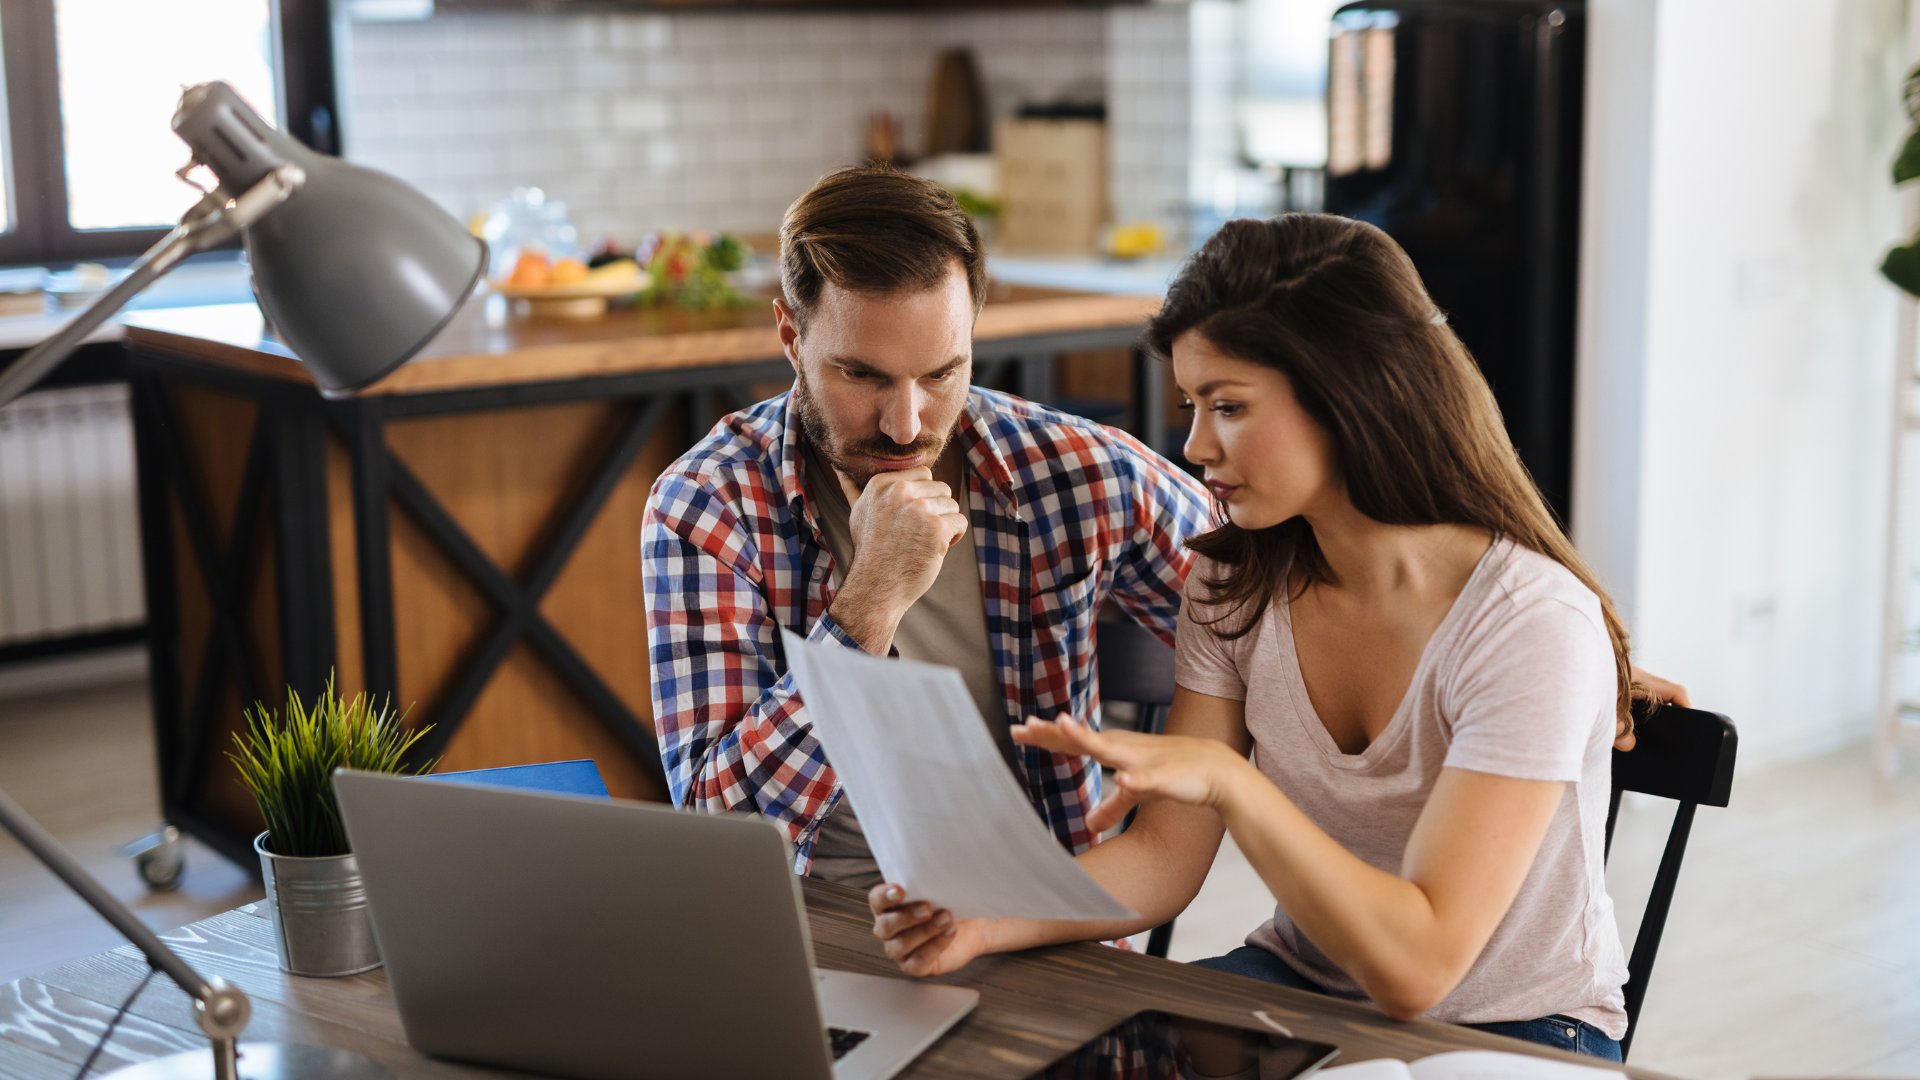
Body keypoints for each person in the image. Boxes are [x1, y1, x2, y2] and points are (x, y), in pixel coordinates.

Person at [868, 214, 1686, 1060]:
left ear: (1348, 394)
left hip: (1520, 1031)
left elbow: (1419, 968)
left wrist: (1230, 781)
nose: (1193, 445)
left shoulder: (1527, 623)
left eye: (1228, 406)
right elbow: (1164, 860)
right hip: (1299, 987)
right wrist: (980, 916)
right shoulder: (1234, 582)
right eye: (1191, 405)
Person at [640, 164, 1214, 884]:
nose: (905, 425)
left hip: (1043, 924)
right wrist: (868, 603)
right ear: (791, 334)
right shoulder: (707, 505)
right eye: (863, 376)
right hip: (816, 927)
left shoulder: (1078, 472)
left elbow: (1277, 620)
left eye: (941, 374)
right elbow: (719, 835)